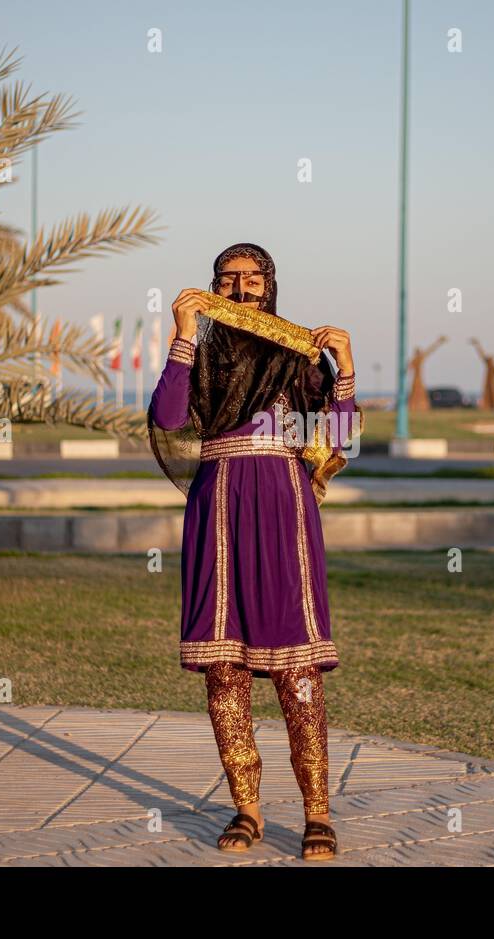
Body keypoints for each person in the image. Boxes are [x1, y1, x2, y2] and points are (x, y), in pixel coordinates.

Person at [147, 242, 359, 861]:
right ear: (214, 285)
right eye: (228, 279)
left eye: (253, 279)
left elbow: (340, 434)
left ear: (271, 285)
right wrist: (183, 334)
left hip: (282, 507)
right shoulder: (204, 353)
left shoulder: (296, 352)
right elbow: (166, 415)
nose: (240, 290)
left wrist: (344, 363)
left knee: (296, 670)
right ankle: (247, 810)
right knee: (224, 666)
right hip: (217, 507)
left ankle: (317, 812)